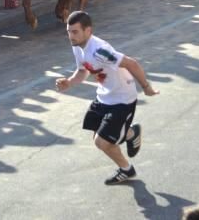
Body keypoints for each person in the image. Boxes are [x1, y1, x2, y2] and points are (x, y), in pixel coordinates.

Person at [55, 10, 159, 185]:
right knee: (98, 137)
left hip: (122, 99)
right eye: (68, 31)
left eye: (75, 32)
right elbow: (83, 70)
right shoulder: (78, 47)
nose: (70, 36)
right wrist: (70, 82)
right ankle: (131, 133)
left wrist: (146, 87)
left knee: (102, 142)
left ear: (88, 31)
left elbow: (131, 63)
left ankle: (127, 170)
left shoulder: (100, 51)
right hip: (104, 96)